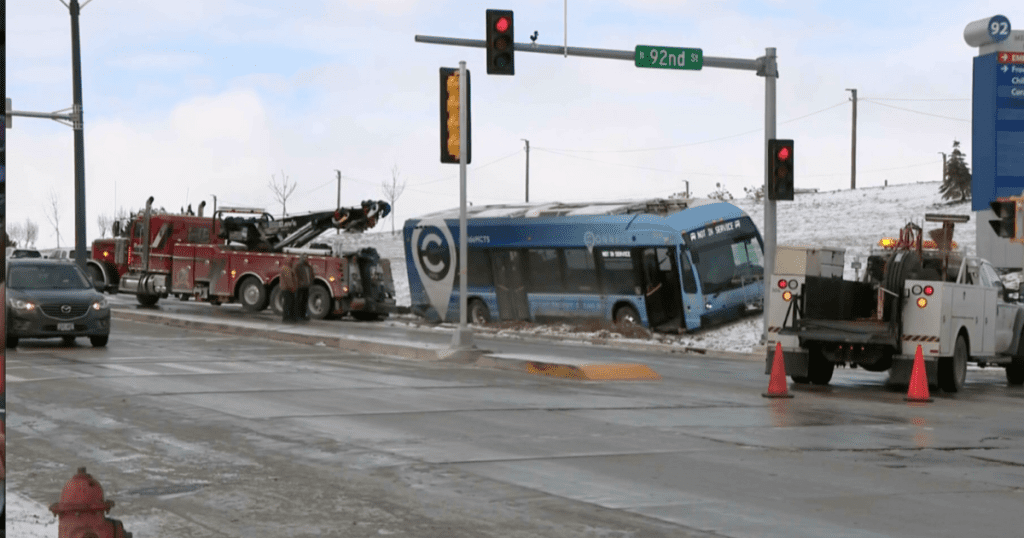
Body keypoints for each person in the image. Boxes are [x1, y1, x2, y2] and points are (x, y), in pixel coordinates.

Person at [294, 254, 315, 322]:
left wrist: (311, 281)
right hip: (300, 287)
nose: (306, 259)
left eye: (307, 257)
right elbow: (296, 275)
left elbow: (312, 275)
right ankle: (298, 316)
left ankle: (303, 315)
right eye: (304, 257)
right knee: (299, 301)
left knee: (304, 302)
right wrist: (299, 282)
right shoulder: (298, 266)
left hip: (307, 286)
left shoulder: (309, 267)